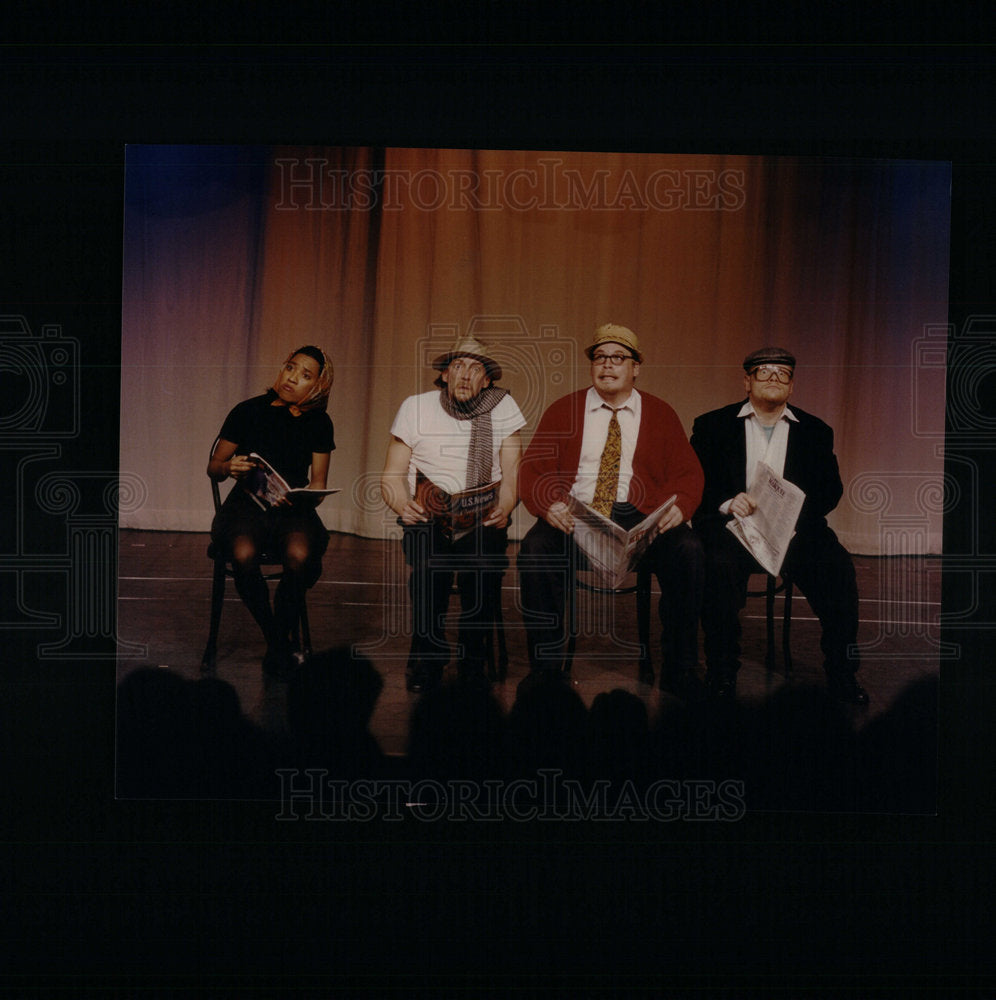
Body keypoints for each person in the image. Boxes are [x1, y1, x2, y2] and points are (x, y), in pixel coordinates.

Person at [517, 323, 706, 698]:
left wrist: (681, 505)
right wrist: (549, 503)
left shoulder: (660, 413)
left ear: (636, 367)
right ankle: (546, 670)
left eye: (618, 357)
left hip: (640, 516)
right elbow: (533, 469)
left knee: (689, 551)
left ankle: (680, 668)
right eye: (600, 357)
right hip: (578, 516)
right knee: (534, 550)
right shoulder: (564, 409)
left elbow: (688, 473)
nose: (607, 365)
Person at [690, 346, 868, 704]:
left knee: (837, 569)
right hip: (733, 529)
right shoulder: (712, 425)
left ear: (791, 387)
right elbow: (695, 482)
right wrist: (727, 502)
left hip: (796, 533)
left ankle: (842, 673)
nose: (773, 378)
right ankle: (722, 672)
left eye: (782, 373)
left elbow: (830, 489)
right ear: (747, 381)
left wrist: (795, 514)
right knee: (717, 567)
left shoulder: (816, 431)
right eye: (763, 372)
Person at [381, 336, 524, 692]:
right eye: (458, 366)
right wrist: (403, 505)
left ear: (487, 380)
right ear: (445, 374)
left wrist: (505, 507)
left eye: (476, 368)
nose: (465, 375)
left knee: (482, 570)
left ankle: (472, 659)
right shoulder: (415, 407)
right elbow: (391, 476)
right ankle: (429, 657)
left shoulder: (503, 407)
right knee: (429, 572)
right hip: (429, 517)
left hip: (482, 515)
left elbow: (512, 474)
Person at [208, 345, 335, 677]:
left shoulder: (319, 422)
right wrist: (228, 466)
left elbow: (319, 484)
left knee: (299, 554)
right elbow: (214, 465)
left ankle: (278, 642)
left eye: (305, 375)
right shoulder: (248, 410)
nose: (292, 378)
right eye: (290, 368)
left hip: (290, 507)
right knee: (243, 552)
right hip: (246, 504)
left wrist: (303, 498)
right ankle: (278, 640)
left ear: (318, 386)